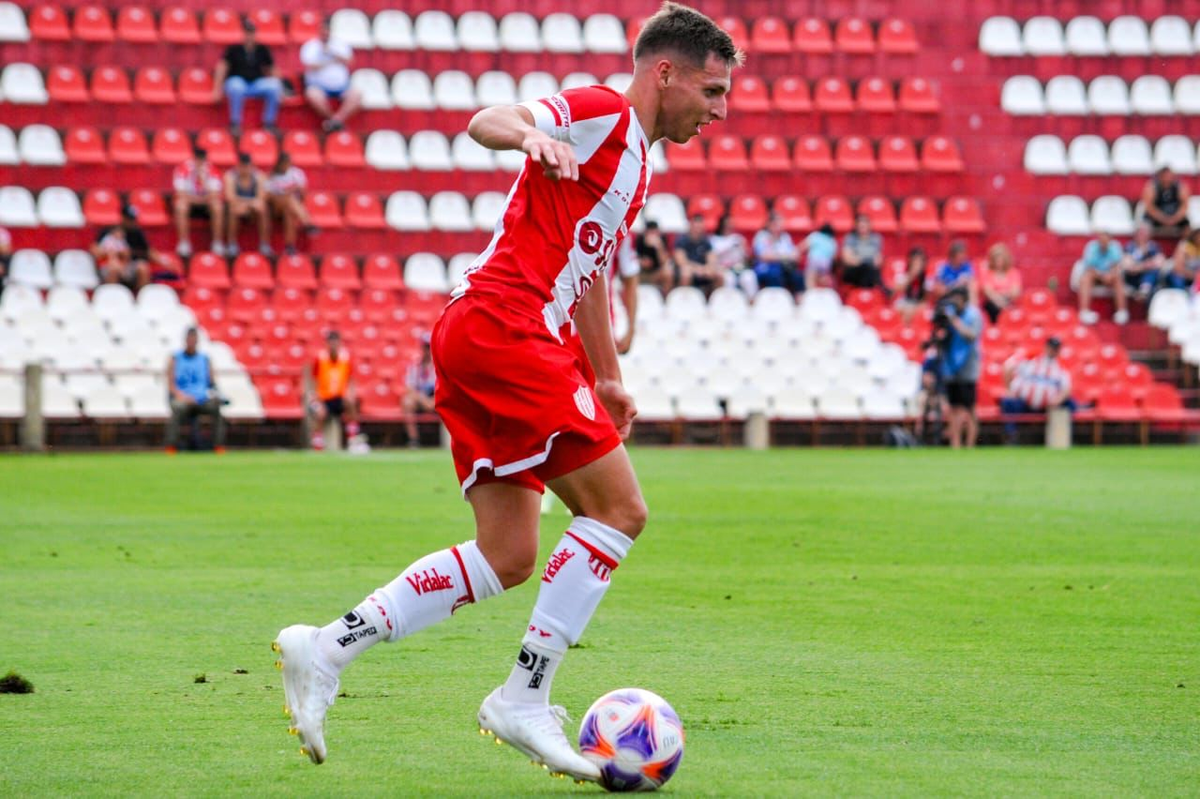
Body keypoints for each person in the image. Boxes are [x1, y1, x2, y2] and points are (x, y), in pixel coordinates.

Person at [271, 3, 740, 782]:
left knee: (509, 552)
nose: (720, 110)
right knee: (619, 509)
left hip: (486, 331)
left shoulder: (638, 164)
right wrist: (528, 134)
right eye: (713, 90)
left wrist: (607, 374)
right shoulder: (602, 112)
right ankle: (523, 697)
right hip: (505, 324)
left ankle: (324, 647)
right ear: (667, 72)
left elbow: (585, 271)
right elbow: (487, 118)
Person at [999, 337, 1077, 444]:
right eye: (1051, 347)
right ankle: (1011, 436)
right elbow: (1008, 366)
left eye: (1055, 348)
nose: (1053, 350)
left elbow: (1067, 389)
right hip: (1024, 403)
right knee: (1008, 402)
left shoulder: (1061, 368)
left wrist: (1058, 399)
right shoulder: (1031, 359)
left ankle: (1062, 438)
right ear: (1046, 347)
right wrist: (1008, 389)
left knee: (1070, 404)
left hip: (1047, 407)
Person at [213, 19, 283, 137]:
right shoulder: (234, 49)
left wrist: (281, 87)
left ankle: (269, 123)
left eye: (251, 33)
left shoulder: (262, 49)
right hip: (238, 82)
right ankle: (235, 123)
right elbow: (222, 67)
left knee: (274, 86)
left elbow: (272, 68)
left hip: (256, 83)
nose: (249, 36)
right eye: (247, 33)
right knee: (236, 86)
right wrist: (216, 88)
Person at [165, 327, 226, 453]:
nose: (192, 341)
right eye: (189, 339)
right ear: (185, 340)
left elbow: (212, 383)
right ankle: (171, 446)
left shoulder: (205, 359)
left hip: (202, 399)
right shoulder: (175, 358)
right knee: (176, 408)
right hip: (182, 399)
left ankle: (217, 446)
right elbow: (171, 385)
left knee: (217, 408)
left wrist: (215, 395)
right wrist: (183, 397)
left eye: (194, 339)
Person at [936, 286, 982, 449]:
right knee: (954, 408)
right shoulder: (948, 313)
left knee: (969, 408)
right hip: (951, 366)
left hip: (968, 367)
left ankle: (970, 445)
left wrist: (954, 320)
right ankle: (955, 444)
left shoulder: (973, 315)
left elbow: (971, 335)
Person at [300, 20, 362, 133]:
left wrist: (331, 53)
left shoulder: (340, 45)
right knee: (312, 95)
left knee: (357, 95)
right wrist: (331, 61)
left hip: (341, 86)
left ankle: (335, 121)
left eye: (327, 30)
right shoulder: (311, 46)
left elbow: (349, 61)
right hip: (318, 86)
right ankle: (334, 120)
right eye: (322, 30)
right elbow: (311, 65)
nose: (325, 33)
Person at [307, 330, 362, 451]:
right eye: (331, 343)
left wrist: (351, 393)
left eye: (336, 343)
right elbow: (313, 378)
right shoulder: (320, 358)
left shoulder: (346, 358)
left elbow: (351, 378)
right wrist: (313, 395)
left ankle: (353, 440)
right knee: (320, 413)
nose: (333, 346)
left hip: (339, 397)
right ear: (326, 344)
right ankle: (317, 444)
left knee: (351, 405)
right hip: (323, 398)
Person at [173, 147, 225, 258]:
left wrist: (204, 180)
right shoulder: (183, 169)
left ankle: (217, 243)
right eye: (198, 159)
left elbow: (215, 194)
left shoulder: (212, 170)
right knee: (180, 206)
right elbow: (180, 194)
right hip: (191, 203)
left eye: (202, 160)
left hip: (205, 203)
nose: (200, 163)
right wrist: (199, 199)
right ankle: (184, 243)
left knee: (217, 206)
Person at [224, 152, 273, 258]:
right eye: (242, 166)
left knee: (263, 208)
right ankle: (232, 244)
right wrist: (247, 203)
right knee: (234, 209)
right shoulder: (230, 176)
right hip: (238, 206)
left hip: (252, 208)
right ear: (238, 166)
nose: (245, 169)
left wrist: (247, 204)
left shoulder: (259, 176)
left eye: (247, 166)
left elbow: (262, 196)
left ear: (251, 166)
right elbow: (229, 197)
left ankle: (264, 244)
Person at [265, 152, 313, 256]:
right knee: (288, 199)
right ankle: (307, 222)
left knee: (289, 212)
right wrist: (288, 191)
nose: (287, 165)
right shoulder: (271, 176)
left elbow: (303, 193)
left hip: (292, 207)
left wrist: (292, 191)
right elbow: (267, 196)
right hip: (276, 208)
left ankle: (289, 246)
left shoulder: (297, 173)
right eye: (284, 163)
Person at [1077, 230, 1128, 325]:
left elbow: (1117, 266)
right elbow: (1089, 267)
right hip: (1095, 275)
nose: (1103, 243)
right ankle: (1084, 311)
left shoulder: (1115, 248)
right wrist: (1101, 275)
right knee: (1085, 278)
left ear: (1110, 241)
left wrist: (1110, 275)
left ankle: (1121, 312)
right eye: (1101, 240)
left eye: (1105, 241)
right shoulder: (1091, 247)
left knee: (1118, 278)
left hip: (1110, 276)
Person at [401, 333, 436, 447]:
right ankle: (414, 440)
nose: (427, 350)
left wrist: (432, 401)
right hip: (420, 399)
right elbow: (409, 389)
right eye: (425, 347)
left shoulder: (438, 365)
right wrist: (424, 400)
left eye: (429, 347)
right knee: (407, 402)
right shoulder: (414, 366)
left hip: (435, 398)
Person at [752, 213, 801, 295]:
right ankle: (776, 301)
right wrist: (785, 257)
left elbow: (794, 255)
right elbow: (763, 256)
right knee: (775, 276)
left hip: (784, 268)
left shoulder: (785, 237)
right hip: (766, 269)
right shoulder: (761, 236)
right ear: (770, 224)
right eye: (778, 224)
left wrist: (789, 256)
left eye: (782, 224)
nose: (781, 227)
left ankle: (799, 302)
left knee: (797, 277)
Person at [672, 213, 720, 293]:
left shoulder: (706, 242)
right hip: (688, 269)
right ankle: (684, 298)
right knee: (686, 272)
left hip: (702, 270)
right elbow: (681, 261)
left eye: (700, 227)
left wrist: (707, 268)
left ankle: (713, 300)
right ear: (691, 226)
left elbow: (712, 259)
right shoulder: (681, 241)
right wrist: (697, 269)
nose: (698, 230)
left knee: (718, 273)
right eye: (696, 227)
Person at [709, 214, 754, 295]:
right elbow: (714, 256)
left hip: (739, 268)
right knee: (729, 279)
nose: (729, 226)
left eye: (731, 224)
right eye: (727, 224)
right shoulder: (714, 239)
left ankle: (751, 303)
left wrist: (745, 250)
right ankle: (729, 303)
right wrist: (730, 246)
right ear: (722, 225)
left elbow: (747, 257)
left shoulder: (738, 238)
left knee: (749, 277)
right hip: (723, 269)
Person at [978, 242, 1021, 324]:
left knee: (1013, 310)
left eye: (1000, 258)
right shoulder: (987, 273)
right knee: (995, 308)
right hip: (992, 303)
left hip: (1009, 301)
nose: (998, 261)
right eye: (996, 258)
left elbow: (1015, 292)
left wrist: (1002, 295)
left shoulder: (1013, 272)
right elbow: (988, 292)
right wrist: (1002, 302)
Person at [1140, 165, 1190, 237]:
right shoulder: (1152, 187)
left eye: (1169, 176)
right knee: (1144, 228)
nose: (1167, 178)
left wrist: (1174, 219)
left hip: (1175, 217)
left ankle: (1185, 245)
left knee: (1186, 227)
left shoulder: (1180, 187)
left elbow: (1184, 206)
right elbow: (1149, 207)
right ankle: (1148, 247)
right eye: (1165, 176)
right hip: (1156, 217)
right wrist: (1164, 219)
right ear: (1160, 176)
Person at [1122, 222, 1165, 301]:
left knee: (1153, 272)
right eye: (1140, 233)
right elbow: (1128, 267)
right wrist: (1145, 265)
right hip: (1133, 279)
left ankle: (1144, 291)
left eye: (1144, 233)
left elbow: (1160, 263)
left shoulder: (1154, 247)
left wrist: (1138, 266)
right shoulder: (1130, 247)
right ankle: (1142, 291)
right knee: (1150, 270)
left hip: (1151, 281)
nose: (1142, 236)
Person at [839, 214, 883, 288]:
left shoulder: (876, 239)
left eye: (864, 225)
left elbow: (878, 261)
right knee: (865, 269)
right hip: (854, 271)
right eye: (860, 225)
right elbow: (847, 259)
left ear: (869, 226)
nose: (862, 227)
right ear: (856, 226)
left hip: (870, 271)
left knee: (869, 271)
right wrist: (866, 261)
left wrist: (859, 259)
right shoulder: (850, 238)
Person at [893, 246, 928, 321]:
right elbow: (896, 290)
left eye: (920, 261)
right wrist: (912, 275)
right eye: (915, 260)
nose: (918, 263)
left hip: (919, 304)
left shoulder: (926, 277)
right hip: (905, 302)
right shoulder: (903, 274)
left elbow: (927, 298)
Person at [635, 221, 672, 291]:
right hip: (641, 273)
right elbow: (633, 258)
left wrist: (659, 247)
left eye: (654, 232)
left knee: (667, 273)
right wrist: (642, 262)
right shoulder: (639, 240)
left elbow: (664, 262)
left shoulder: (662, 241)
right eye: (650, 232)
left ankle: (665, 297)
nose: (652, 235)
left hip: (655, 274)